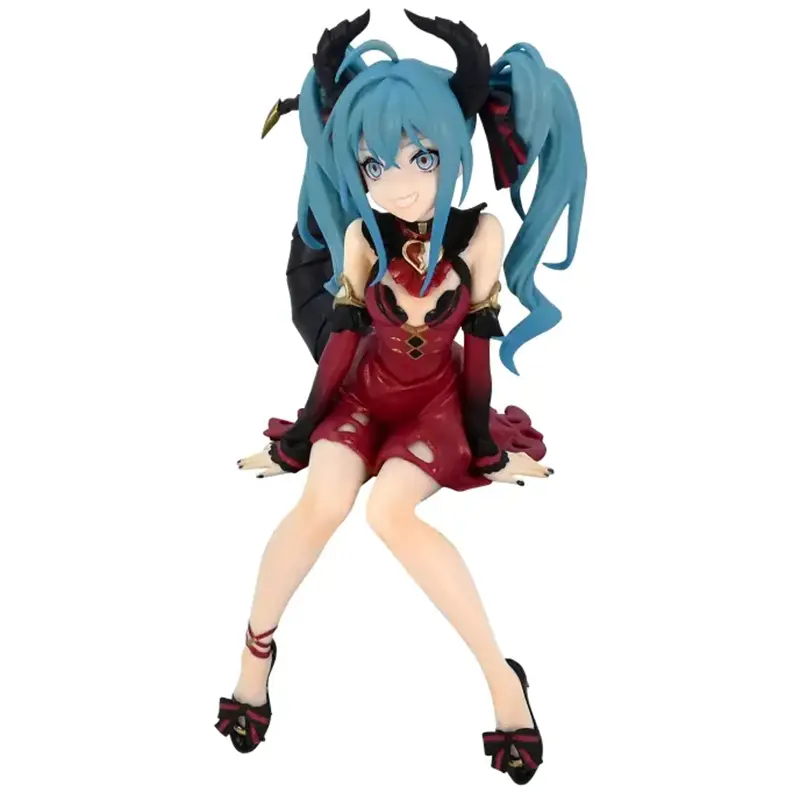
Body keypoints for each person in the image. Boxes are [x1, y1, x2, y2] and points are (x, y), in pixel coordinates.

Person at [214, 10, 586, 785]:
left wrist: (485, 444)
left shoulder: (479, 237)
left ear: (455, 144)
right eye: (373, 164)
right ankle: (255, 657)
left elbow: (477, 356)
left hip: (436, 406)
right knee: (321, 502)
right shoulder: (360, 237)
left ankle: (502, 681)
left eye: (423, 157)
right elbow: (341, 346)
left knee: (390, 512)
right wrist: (301, 433)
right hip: (360, 396)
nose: (400, 184)